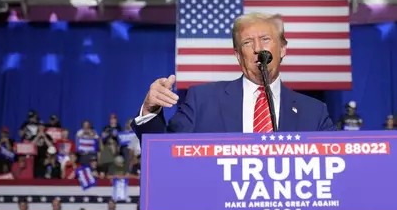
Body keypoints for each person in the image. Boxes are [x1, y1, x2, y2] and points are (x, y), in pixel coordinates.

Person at [133, 12, 335, 135]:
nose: (257, 48)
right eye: (247, 42)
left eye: (265, 39)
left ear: (282, 49)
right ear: (238, 56)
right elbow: (164, 152)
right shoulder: (202, 100)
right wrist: (149, 111)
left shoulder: (314, 112)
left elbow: (340, 163)